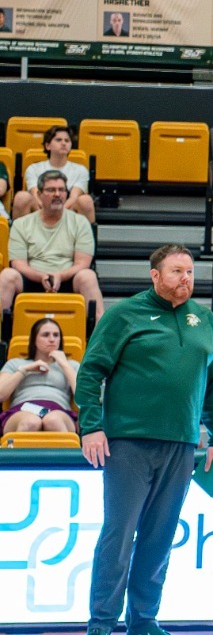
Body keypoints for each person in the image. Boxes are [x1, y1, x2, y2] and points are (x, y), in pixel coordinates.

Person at [76, 244, 213, 635]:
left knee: (159, 537)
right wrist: (91, 427)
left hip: (180, 444)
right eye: (177, 271)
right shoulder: (124, 315)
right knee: (119, 533)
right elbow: (90, 372)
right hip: (127, 442)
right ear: (155, 275)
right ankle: (100, 624)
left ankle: (143, 622)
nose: (186, 279)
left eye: (190, 271)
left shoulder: (205, 318)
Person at [1, 171, 103, 319]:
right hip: (32, 278)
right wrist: (41, 276)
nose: (57, 194)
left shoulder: (80, 223)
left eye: (61, 190)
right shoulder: (21, 224)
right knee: (7, 275)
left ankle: (102, 338)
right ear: (40, 195)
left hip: (67, 278)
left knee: (88, 276)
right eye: (51, 190)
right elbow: (18, 264)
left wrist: (60, 276)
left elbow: (83, 263)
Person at [1, 316, 78, 434]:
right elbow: (1, 394)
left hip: (59, 411)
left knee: (53, 421)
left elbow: (83, 397)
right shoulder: (16, 363)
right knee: (31, 422)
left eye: (56, 335)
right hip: (21, 411)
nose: (52, 339)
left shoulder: (71, 365)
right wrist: (24, 371)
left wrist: (65, 365)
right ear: (34, 340)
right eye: (46, 335)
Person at [17, 124, 94, 222]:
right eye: (58, 140)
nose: (63, 143)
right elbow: (36, 196)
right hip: (40, 212)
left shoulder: (80, 170)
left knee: (85, 200)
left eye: (67, 141)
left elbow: (73, 198)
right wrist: (48, 213)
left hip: (67, 213)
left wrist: (57, 213)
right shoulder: (33, 168)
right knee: (21, 197)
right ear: (48, 146)